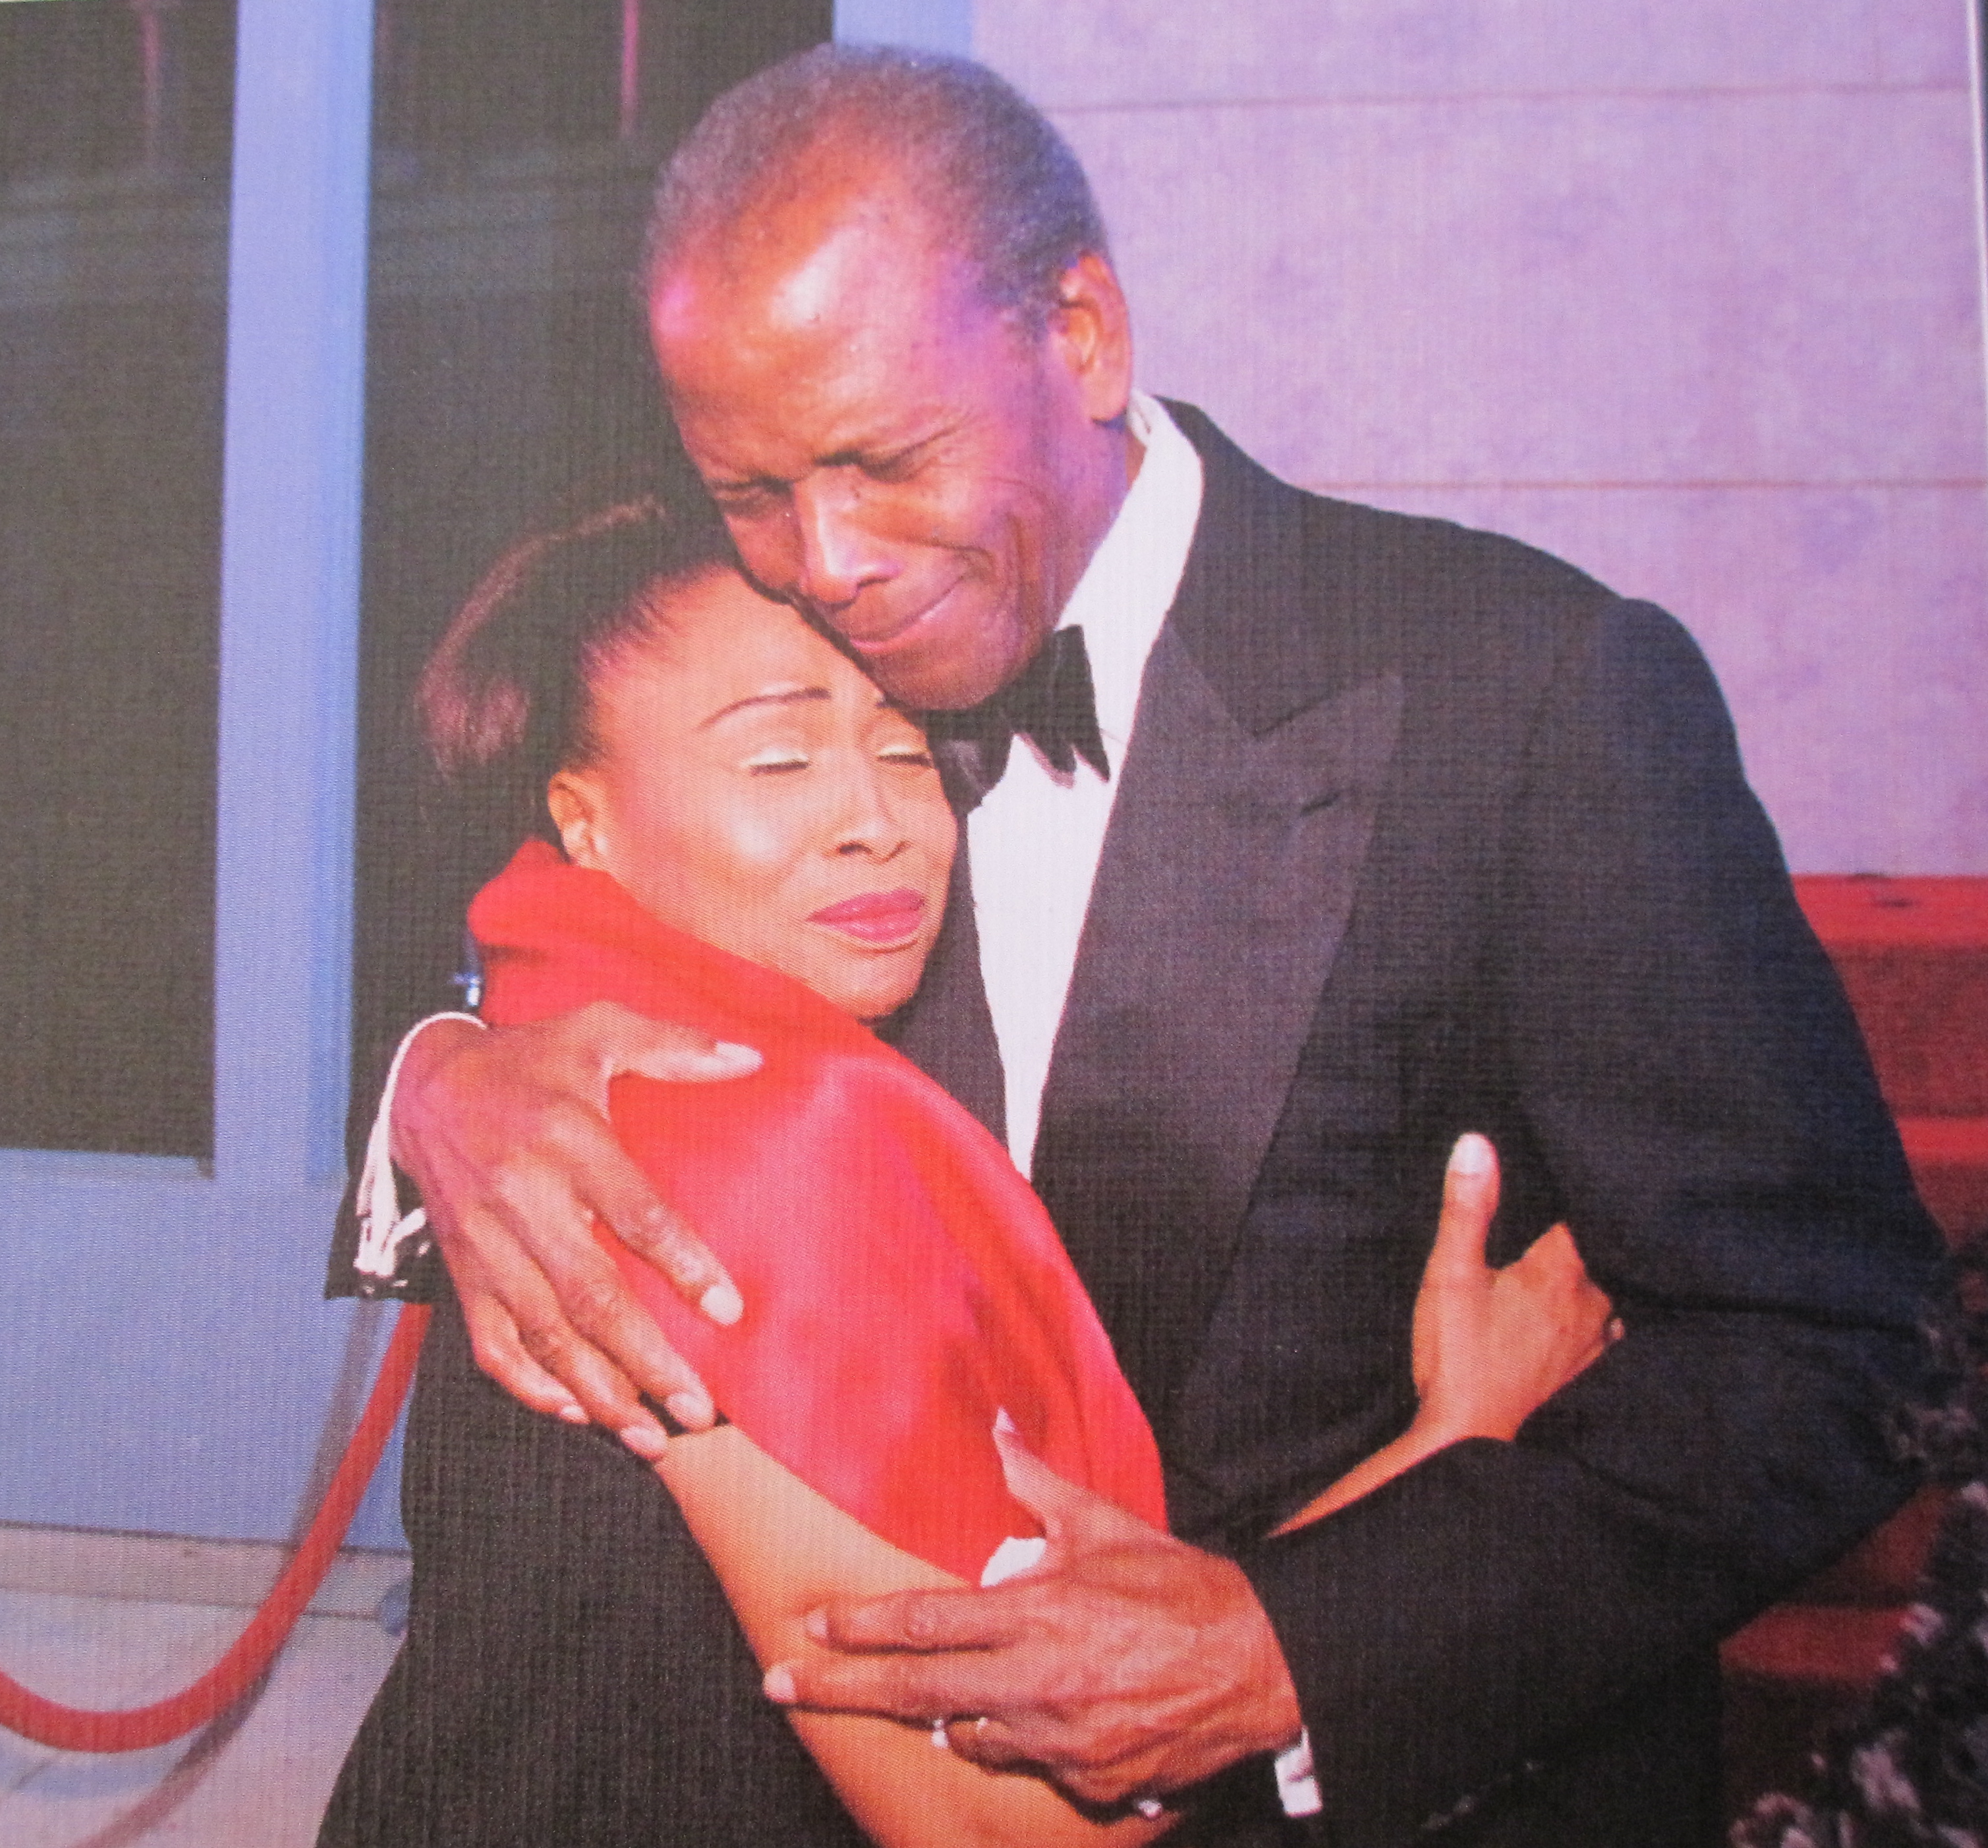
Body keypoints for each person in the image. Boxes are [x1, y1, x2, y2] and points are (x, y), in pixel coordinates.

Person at [326, 45, 1952, 1848]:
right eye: (755, 490)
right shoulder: (727, 635)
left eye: (884, 460)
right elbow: (513, 937)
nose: (828, 558)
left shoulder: (1528, 697)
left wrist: (1301, 1647)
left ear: (1083, 333)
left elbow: (1832, 1344)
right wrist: (433, 1090)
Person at [325, 499, 1614, 1848]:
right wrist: (1458, 1445)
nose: (875, 819)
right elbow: (1016, 1821)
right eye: (778, 758)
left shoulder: (579, 1027)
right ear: (581, 822)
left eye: (904, 749)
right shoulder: (742, 1140)